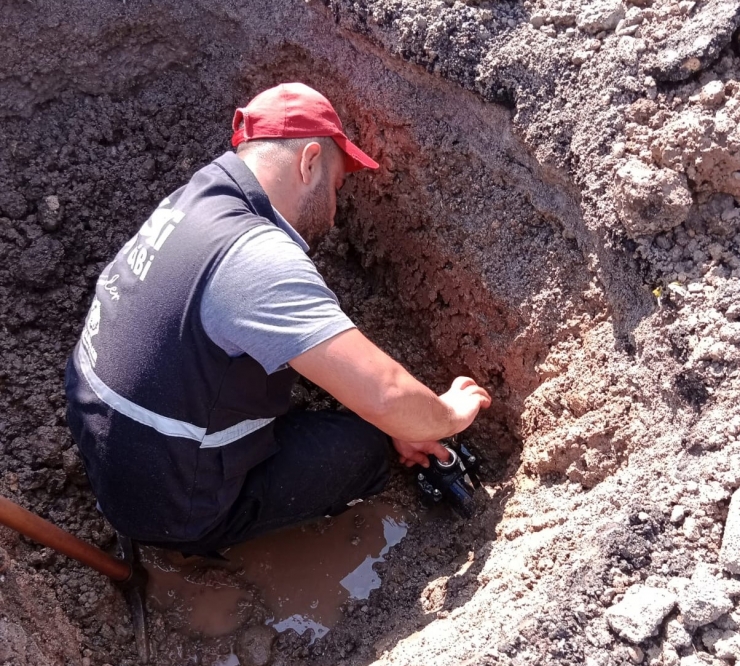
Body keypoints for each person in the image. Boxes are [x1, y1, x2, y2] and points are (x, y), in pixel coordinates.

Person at [64, 83, 491, 555]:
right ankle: (204, 536)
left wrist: (397, 414)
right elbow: (387, 393)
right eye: (335, 185)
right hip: (167, 506)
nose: (333, 210)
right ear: (309, 161)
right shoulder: (255, 258)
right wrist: (443, 417)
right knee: (366, 451)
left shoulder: (194, 199)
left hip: (107, 447)